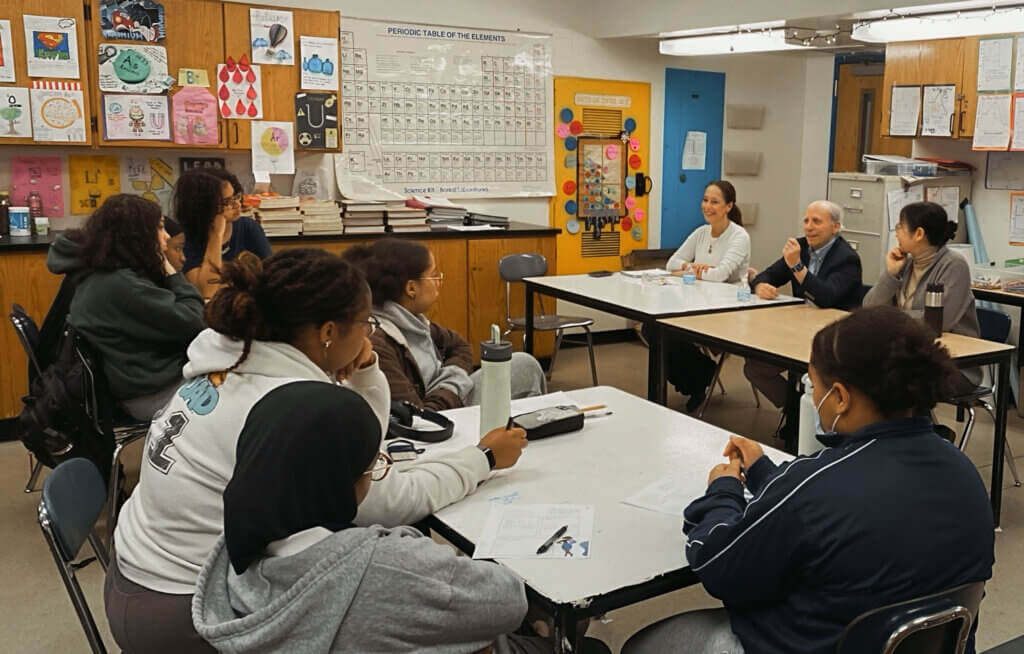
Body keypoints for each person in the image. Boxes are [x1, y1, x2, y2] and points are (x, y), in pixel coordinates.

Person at [106, 248, 526, 653]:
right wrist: (483, 458)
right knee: (436, 627)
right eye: (366, 325)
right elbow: (381, 499)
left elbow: (357, 446)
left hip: (135, 575)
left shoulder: (231, 363)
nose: (369, 337)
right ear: (327, 332)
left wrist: (365, 372)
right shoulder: (284, 408)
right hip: (194, 612)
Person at [621, 306, 994, 654]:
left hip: (806, 644)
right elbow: (836, 507)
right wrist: (764, 473)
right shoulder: (962, 470)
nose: (813, 398)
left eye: (814, 386)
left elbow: (716, 564)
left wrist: (724, 489)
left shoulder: (815, 485)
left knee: (644, 644)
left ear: (841, 397)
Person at [192, 382, 610, 654]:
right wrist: (411, 548)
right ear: (342, 481)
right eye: (371, 465)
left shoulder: (235, 543)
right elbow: (504, 600)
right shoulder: (388, 566)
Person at [46, 194, 205, 420]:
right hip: (151, 393)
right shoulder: (122, 285)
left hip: (134, 383)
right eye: (159, 228)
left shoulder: (97, 270)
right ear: (138, 236)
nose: (167, 237)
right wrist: (171, 272)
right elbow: (195, 320)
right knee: (239, 380)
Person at [344, 238, 547, 410]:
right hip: (439, 417)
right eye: (433, 275)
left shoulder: (414, 321)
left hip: (450, 397)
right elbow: (417, 414)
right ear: (411, 288)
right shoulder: (379, 342)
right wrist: (451, 387)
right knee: (525, 368)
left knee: (524, 364)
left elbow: (460, 347)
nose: (439, 281)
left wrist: (450, 379)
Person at [744, 201, 863, 434]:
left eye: (817, 221)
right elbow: (767, 274)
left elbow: (826, 297)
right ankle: (796, 411)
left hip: (832, 340)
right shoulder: (800, 246)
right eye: (806, 220)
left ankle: (808, 418)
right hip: (797, 330)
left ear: (835, 227)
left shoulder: (847, 258)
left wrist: (797, 266)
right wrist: (760, 285)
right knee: (755, 367)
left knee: (813, 374)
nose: (809, 227)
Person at [863, 200, 980, 389]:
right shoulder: (906, 263)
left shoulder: (954, 265)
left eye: (900, 227)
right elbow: (869, 308)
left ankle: (904, 419)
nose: (897, 233)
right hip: (908, 353)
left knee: (885, 380)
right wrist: (891, 274)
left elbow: (936, 322)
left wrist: (888, 318)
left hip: (950, 363)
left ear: (918, 234)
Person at [663, 180, 751, 412]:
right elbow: (671, 263)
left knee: (672, 335)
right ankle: (700, 375)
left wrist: (689, 269)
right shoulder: (701, 233)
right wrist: (696, 267)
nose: (707, 206)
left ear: (728, 206)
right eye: (705, 200)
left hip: (726, 310)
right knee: (656, 330)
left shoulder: (739, 236)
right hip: (697, 303)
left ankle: (698, 380)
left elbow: (721, 275)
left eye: (714, 202)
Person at [175, 167, 271, 298]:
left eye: (236, 196)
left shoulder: (249, 228)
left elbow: (270, 278)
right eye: (227, 202)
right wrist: (216, 234)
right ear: (202, 206)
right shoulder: (187, 238)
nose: (237, 204)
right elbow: (208, 292)